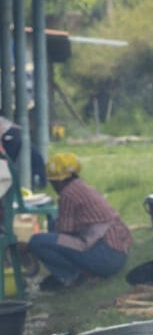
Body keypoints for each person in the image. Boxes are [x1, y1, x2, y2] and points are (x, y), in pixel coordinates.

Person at [27, 152, 132, 290]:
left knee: (37, 241)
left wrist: (27, 247)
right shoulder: (81, 186)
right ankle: (78, 272)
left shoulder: (68, 194)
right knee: (53, 226)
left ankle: (71, 276)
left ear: (58, 181)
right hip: (118, 253)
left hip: (106, 256)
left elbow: (63, 232)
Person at [0, 116, 48, 189]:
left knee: (7, 161)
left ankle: (36, 181)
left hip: (9, 132)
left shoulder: (11, 136)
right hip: (10, 131)